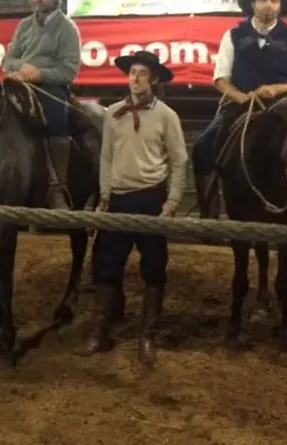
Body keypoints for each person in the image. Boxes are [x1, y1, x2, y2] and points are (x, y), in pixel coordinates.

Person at [82, 50, 188, 367]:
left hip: (150, 197)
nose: (136, 78)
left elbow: (180, 160)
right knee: (107, 264)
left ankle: (147, 337)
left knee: (154, 266)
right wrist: (104, 195)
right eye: (132, 73)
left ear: (153, 79)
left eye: (143, 73)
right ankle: (100, 332)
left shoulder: (167, 116)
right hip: (118, 198)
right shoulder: (114, 113)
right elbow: (106, 158)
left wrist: (171, 201)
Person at [191, 0, 287, 218]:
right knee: (203, 145)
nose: (269, 5)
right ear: (253, 4)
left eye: (274, 0)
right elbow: (220, 78)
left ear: (280, 6)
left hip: (281, 104)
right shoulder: (234, 35)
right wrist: (240, 97)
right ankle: (209, 207)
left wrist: (276, 89)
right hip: (241, 103)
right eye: (263, 0)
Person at [1, 0, 82, 210]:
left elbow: (68, 71)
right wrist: (21, 68)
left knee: (57, 118)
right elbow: (8, 60)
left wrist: (39, 74)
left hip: (49, 88)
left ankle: (57, 185)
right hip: (19, 82)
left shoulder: (67, 29)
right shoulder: (24, 25)